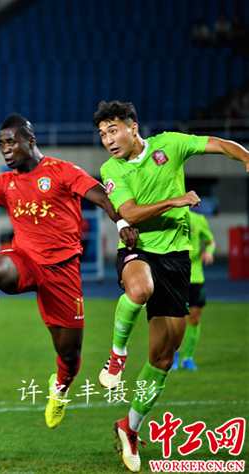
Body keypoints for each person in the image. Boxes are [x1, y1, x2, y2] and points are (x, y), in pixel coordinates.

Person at [0, 113, 137, 430]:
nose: (5, 149)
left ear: (30, 140)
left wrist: (122, 221)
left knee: (68, 355)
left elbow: (100, 195)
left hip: (62, 273)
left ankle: (60, 389)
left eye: (11, 142)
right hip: (25, 261)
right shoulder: (5, 182)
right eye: (1, 143)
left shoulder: (61, 171)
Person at [93, 100, 249, 472]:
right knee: (139, 289)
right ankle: (116, 355)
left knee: (163, 358)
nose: (108, 140)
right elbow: (129, 212)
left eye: (113, 130)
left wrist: (245, 156)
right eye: (102, 134)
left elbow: (216, 144)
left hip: (177, 260)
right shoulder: (111, 168)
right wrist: (176, 200)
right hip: (138, 249)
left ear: (133, 127)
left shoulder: (171, 144)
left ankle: (129, 426)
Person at [172, 210, 215, 371]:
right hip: (176, 276)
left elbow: (210, 241)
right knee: (177, 319)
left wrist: (209, 252)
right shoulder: (169, 217)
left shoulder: (199, 219)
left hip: (196, 277)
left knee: (194, 319)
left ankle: (188, 358)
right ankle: (174, 356)